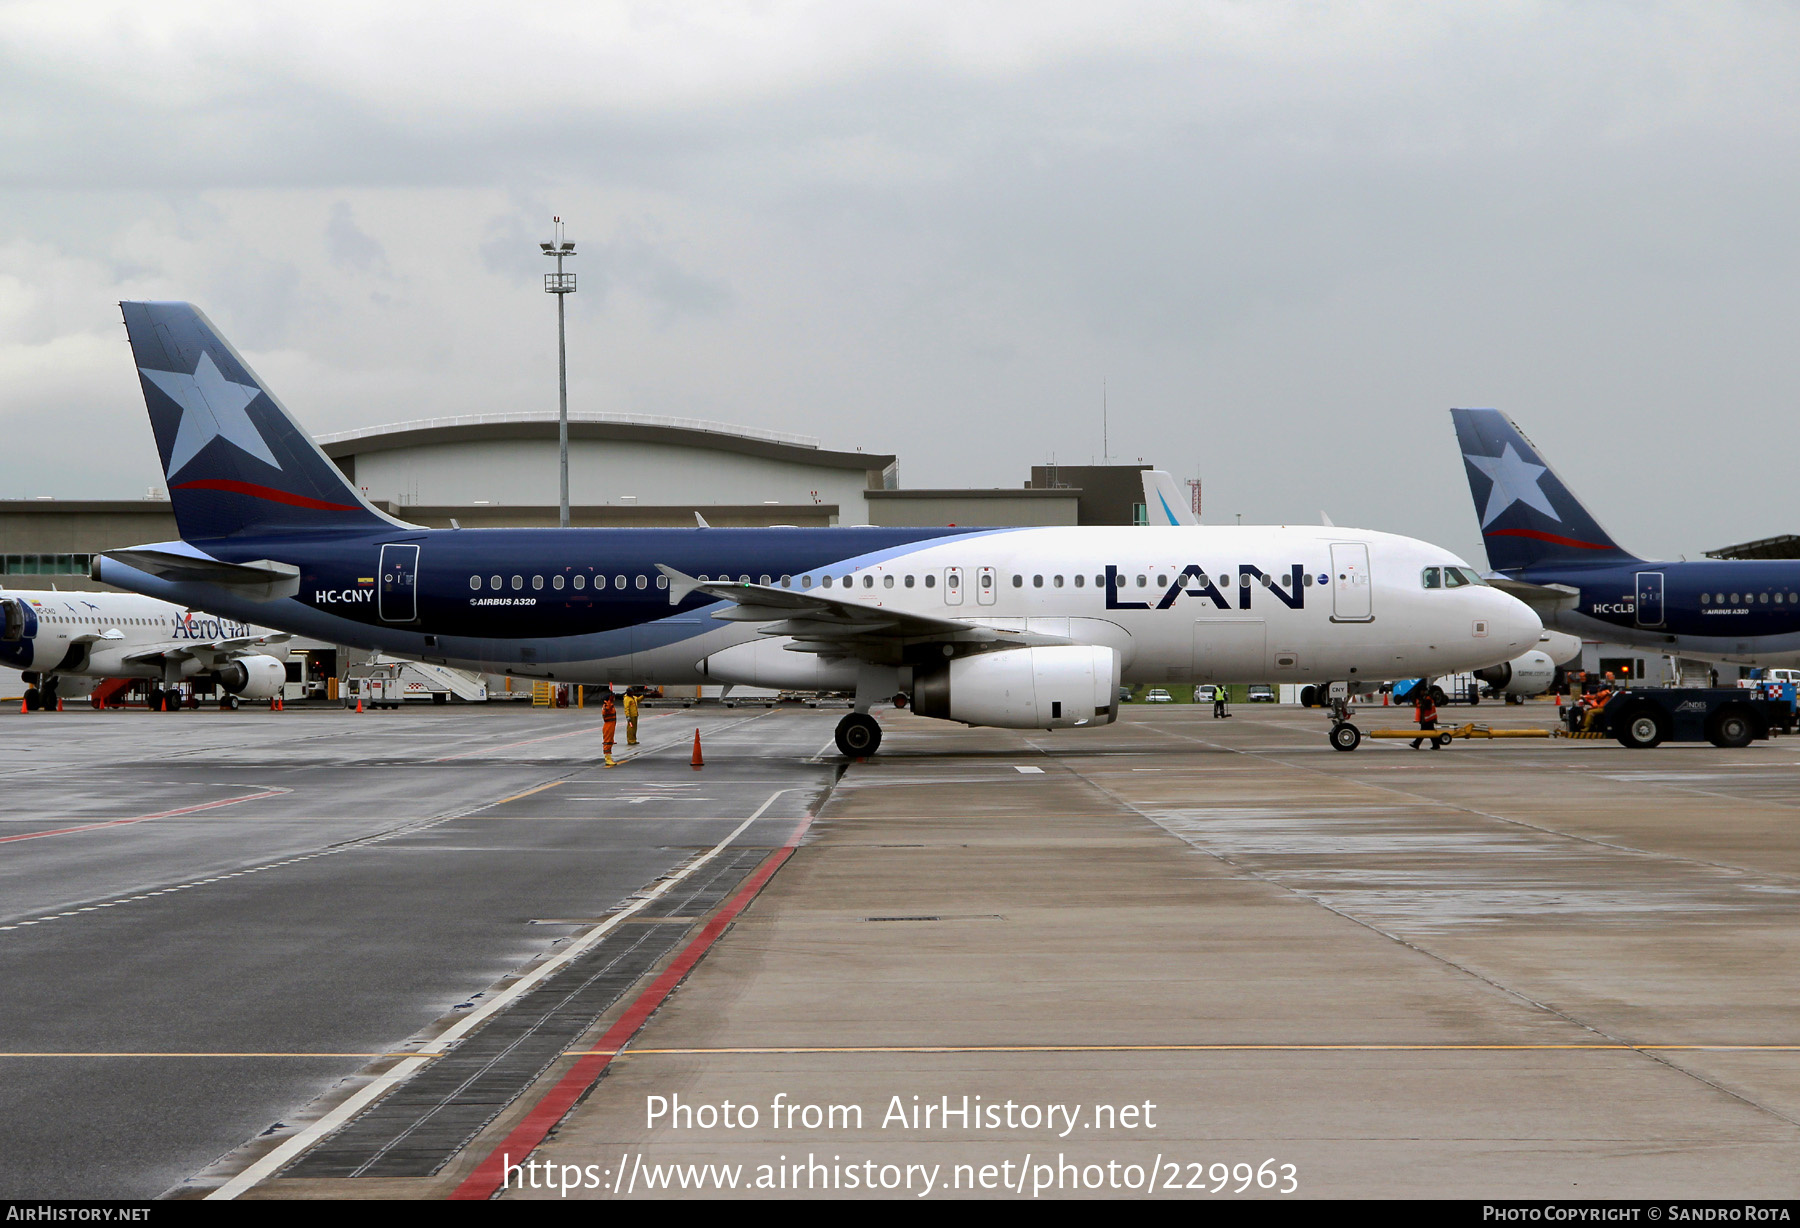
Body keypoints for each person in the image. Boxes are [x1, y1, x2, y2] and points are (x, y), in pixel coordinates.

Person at [601, 689, 617, 765]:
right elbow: (606, 711)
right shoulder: (607, 706)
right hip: (608, 726)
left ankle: (609, 757)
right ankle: (607, 758)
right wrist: (609, 703)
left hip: (611, 725)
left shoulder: (611, 705)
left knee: (610, 742)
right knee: (607, 742)